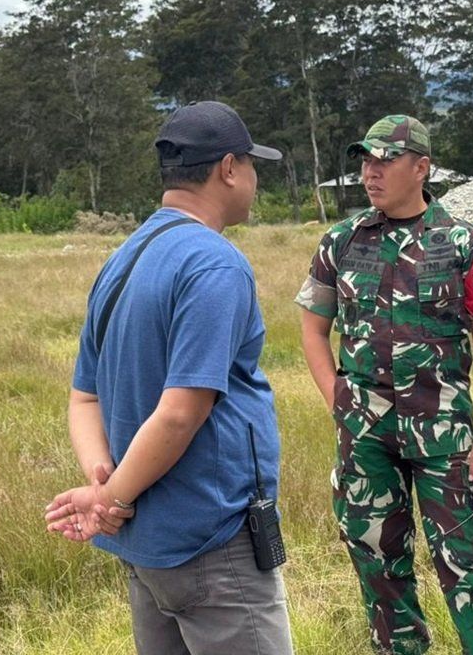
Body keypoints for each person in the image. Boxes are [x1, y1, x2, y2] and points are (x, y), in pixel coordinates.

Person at [44, 101, 294, 655]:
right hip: (211, 540)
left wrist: (104, 484)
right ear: (229, 168)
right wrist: (111, 496)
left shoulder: (124, 258)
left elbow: (84, 397)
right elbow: (182, 411)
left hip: (146, 547)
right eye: (252, 166)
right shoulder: (214, 263)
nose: (254, 180)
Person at [295, 115, 473, 655]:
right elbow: (313, 328)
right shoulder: (341, 242)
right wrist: (339, 400)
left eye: (384, 161)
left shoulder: (464, 242)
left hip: (445, 436)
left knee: (470, 567)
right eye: (365, 161)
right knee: (377, 562)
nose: (369, 173)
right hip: (366, 437)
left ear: (421, 168)